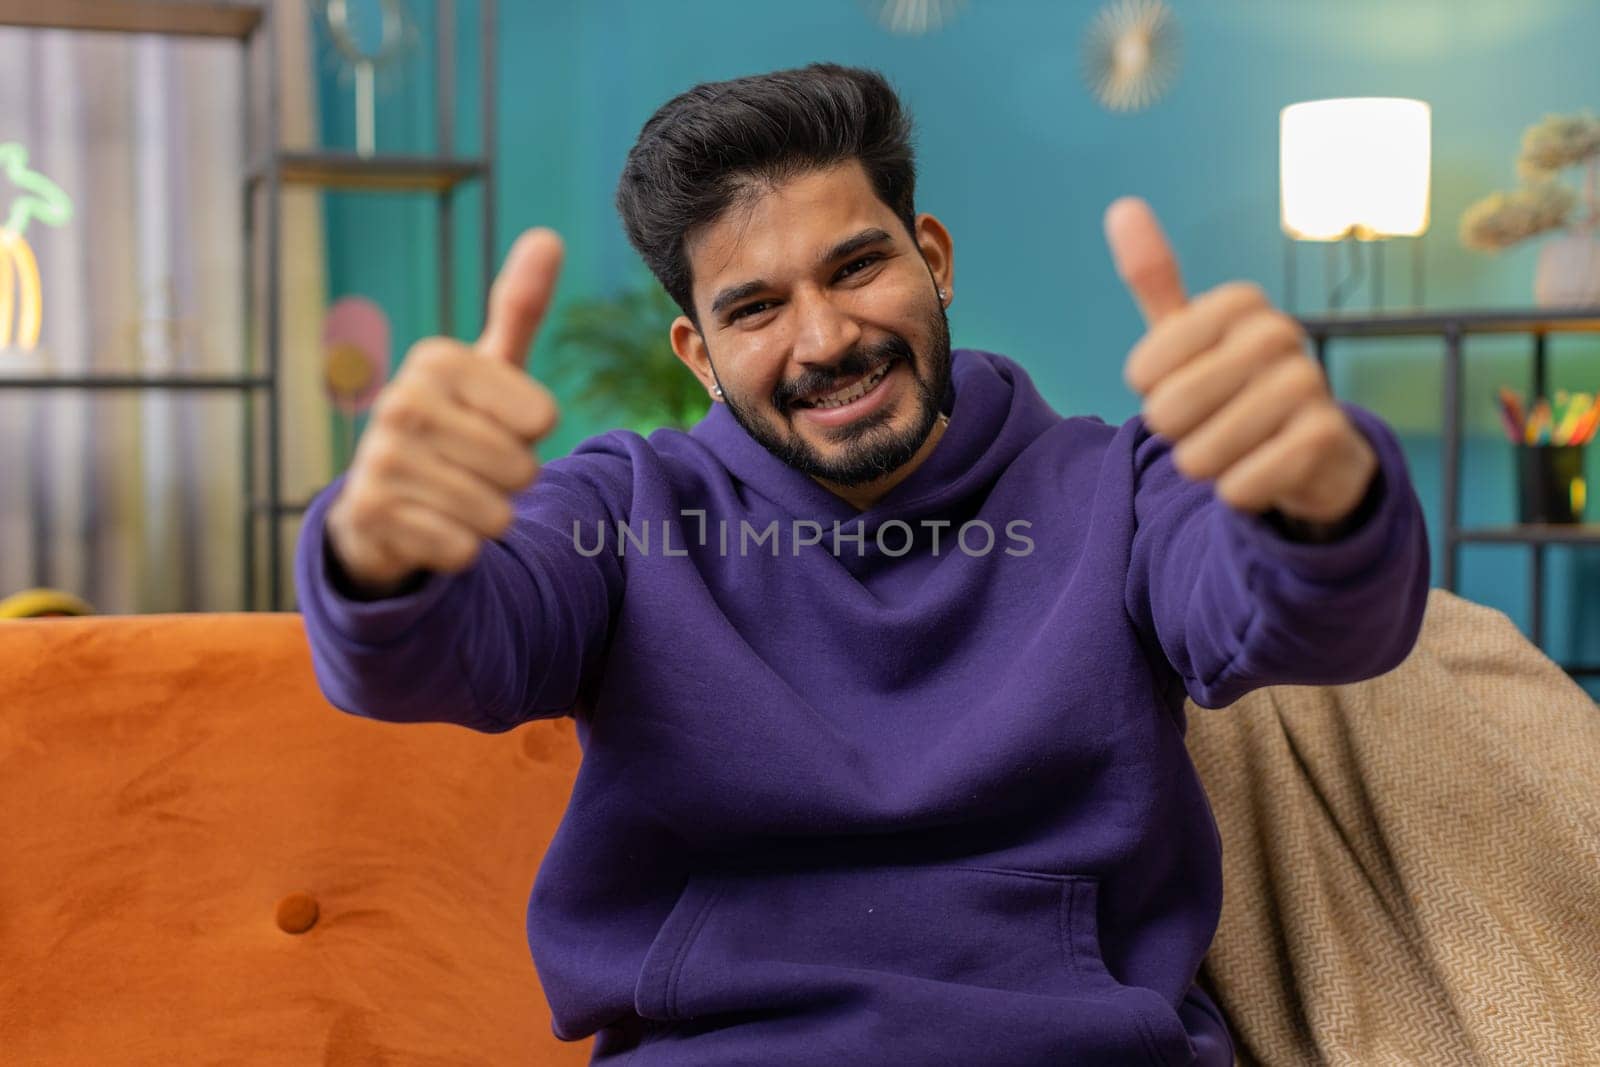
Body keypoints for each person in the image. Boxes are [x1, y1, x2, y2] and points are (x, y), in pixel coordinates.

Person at [294, 63, 1430, 1065]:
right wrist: (382, 555)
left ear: (930, 258)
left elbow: (1302, 617)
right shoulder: (624, 509)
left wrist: (1324, 503)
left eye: (854, 267)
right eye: (755, 307)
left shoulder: (1118, 488)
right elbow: (443, 646)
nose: (826, 337)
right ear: (698, 352)